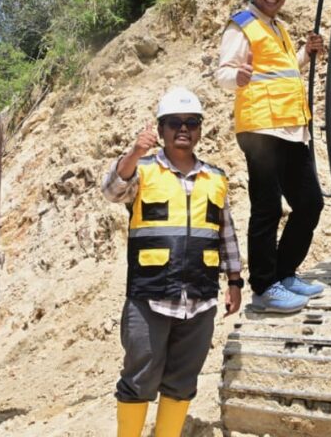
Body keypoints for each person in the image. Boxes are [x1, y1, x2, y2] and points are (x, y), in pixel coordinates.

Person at [102, 87, 243, 437]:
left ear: (200, 129)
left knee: (182, 381)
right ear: (161, 129)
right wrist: (135, 151)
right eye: (174, 122)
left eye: (191, 122)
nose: (184, 129)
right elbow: (112, 190)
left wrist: (235, 281)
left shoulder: (216, 178)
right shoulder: (144, 170)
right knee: (139, 379)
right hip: (149, 295)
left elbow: (225, 233)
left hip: (200, 296)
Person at [216, 0, 325, 314]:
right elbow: (223, 73)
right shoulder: (242, 26)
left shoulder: (277, 26)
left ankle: (284, 273)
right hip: (261, 128)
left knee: (310, 203)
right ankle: (264, 287)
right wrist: (237, 77)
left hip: (291, 127)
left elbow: (286, 71)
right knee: (267, 207)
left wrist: (305, 54)